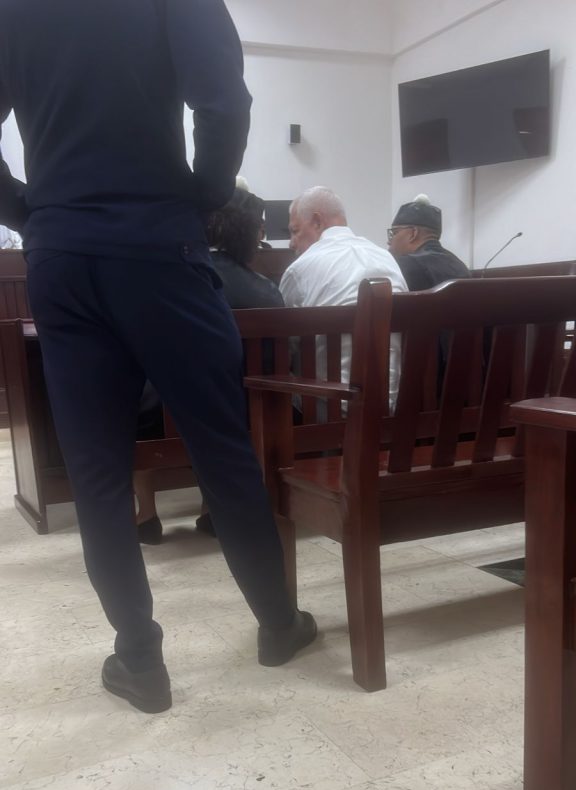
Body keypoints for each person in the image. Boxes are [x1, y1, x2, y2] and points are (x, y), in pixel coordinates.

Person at [0, 0, 316, 714]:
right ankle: (278, 624)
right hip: (159, 245)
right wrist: (202, 195)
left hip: (61, 258)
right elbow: (223, 100)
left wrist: (32, 212)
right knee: (221, 447)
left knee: (97, 472)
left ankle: (139, 661)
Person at [135, 186, 284, 543]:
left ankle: (146, 515)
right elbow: (281, 358)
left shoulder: (168, 281)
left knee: (138, 398)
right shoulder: (267, 290)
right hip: (246, 413)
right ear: (250, 235)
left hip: (169, 416)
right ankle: (210, 510)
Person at [279, 186, 407, 401]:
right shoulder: (387, 259)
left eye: (295, 231)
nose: (292, 243)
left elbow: (283, 348)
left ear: (317, 222)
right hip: (394, 407)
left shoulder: (300, 270)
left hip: (328, 408)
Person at [387, 194, 470, 290]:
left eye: (394, 233)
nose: (389, 241)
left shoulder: (404, 265)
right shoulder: (461, 266)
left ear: (413, 233)